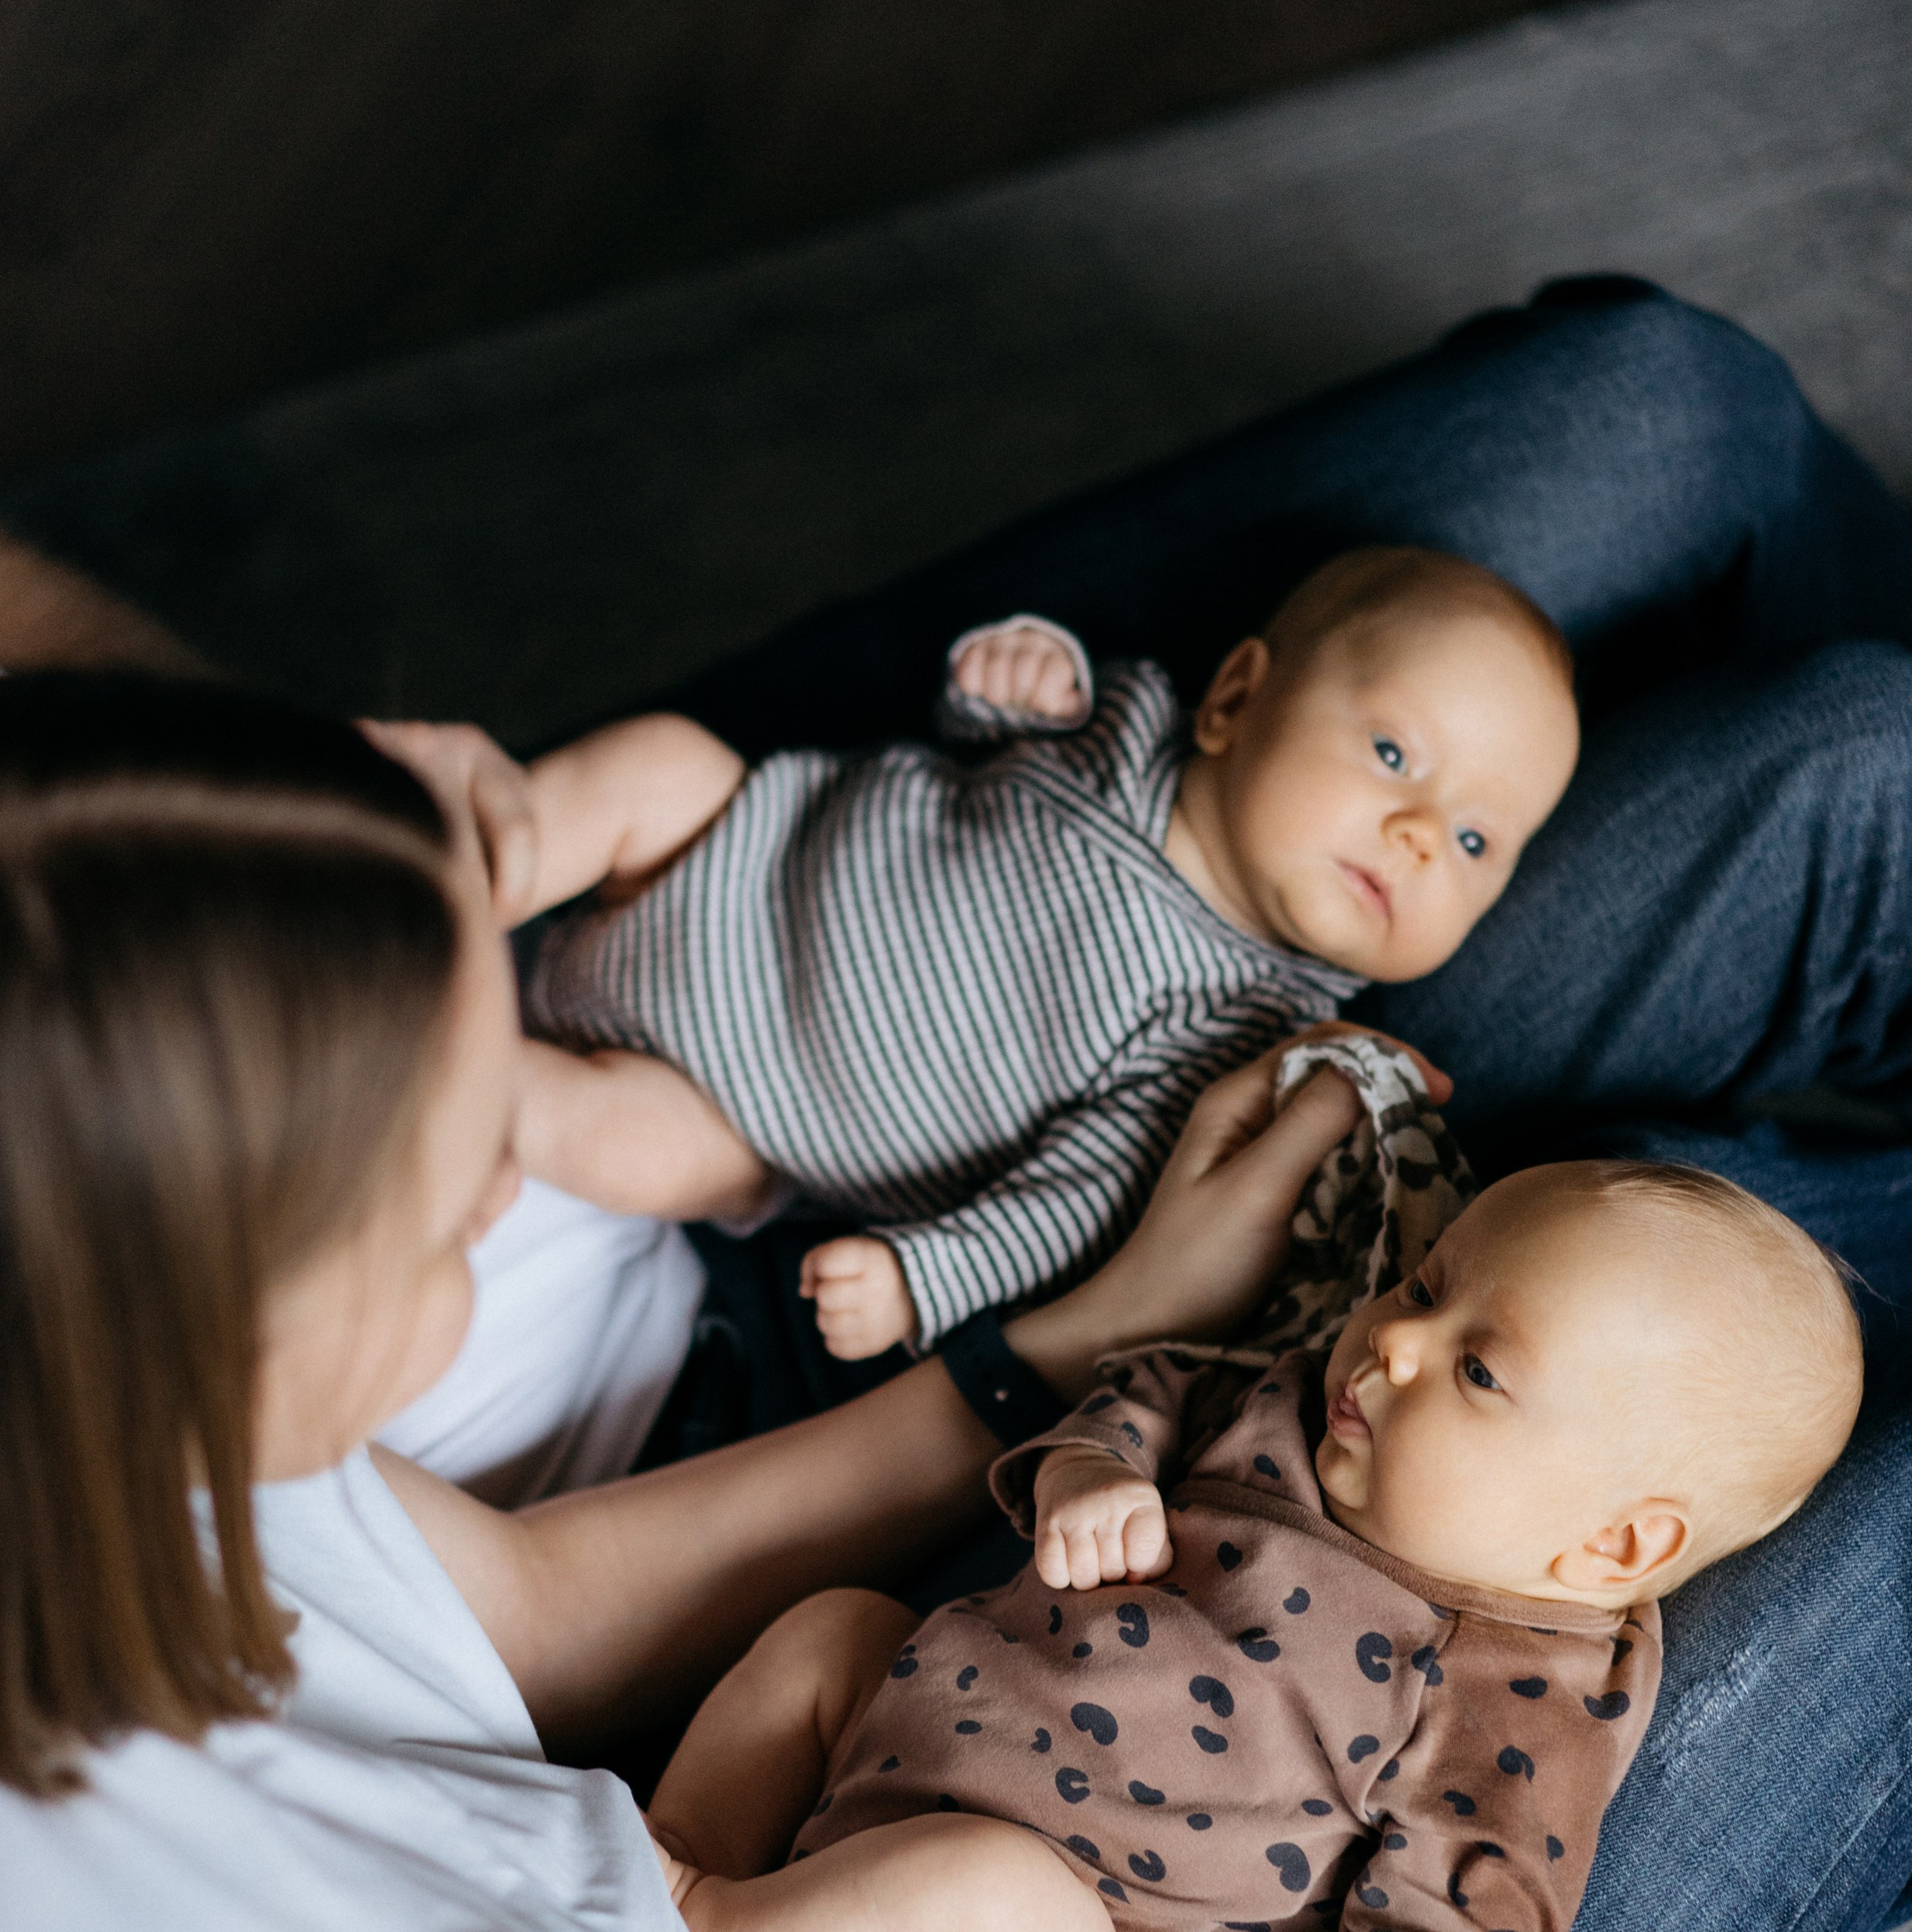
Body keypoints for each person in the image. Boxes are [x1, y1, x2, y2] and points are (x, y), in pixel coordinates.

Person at [0, 269, 1910, 1932]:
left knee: (1785, 700)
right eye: (458, 1192)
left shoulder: (70, 1455)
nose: (513, 1183)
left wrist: (1058, 1350)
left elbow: (531, 1604)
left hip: (850, 1662)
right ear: (195, 1317)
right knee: (1814, 1391)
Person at [652, 1160, 1859, 1932]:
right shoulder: (1302, 1406)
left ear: (1614, 1548)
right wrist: (1091, 1467)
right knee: (836, 1633)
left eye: (1478, 1370)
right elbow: (1157, 1385)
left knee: (976, 1903)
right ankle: (681, 1842)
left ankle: (683, 1928)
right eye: (1426, 1288)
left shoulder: (1510, 1691)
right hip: (905, 1741)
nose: (1395, 1343)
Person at [496, 545, 1576, 1360]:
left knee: (632, 1156)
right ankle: (429, 877)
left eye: (1477, 840)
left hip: (732, 1104)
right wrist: (1014, 674)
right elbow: (968, 725)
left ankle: (452, 1071)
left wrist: (931, 1276)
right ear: (1237, 699)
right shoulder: (1124, 715)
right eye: (1394, 755)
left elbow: (1079, 1202)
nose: (1422, 834)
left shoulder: (1254, 1039)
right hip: (734, 846)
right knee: (662, 763)